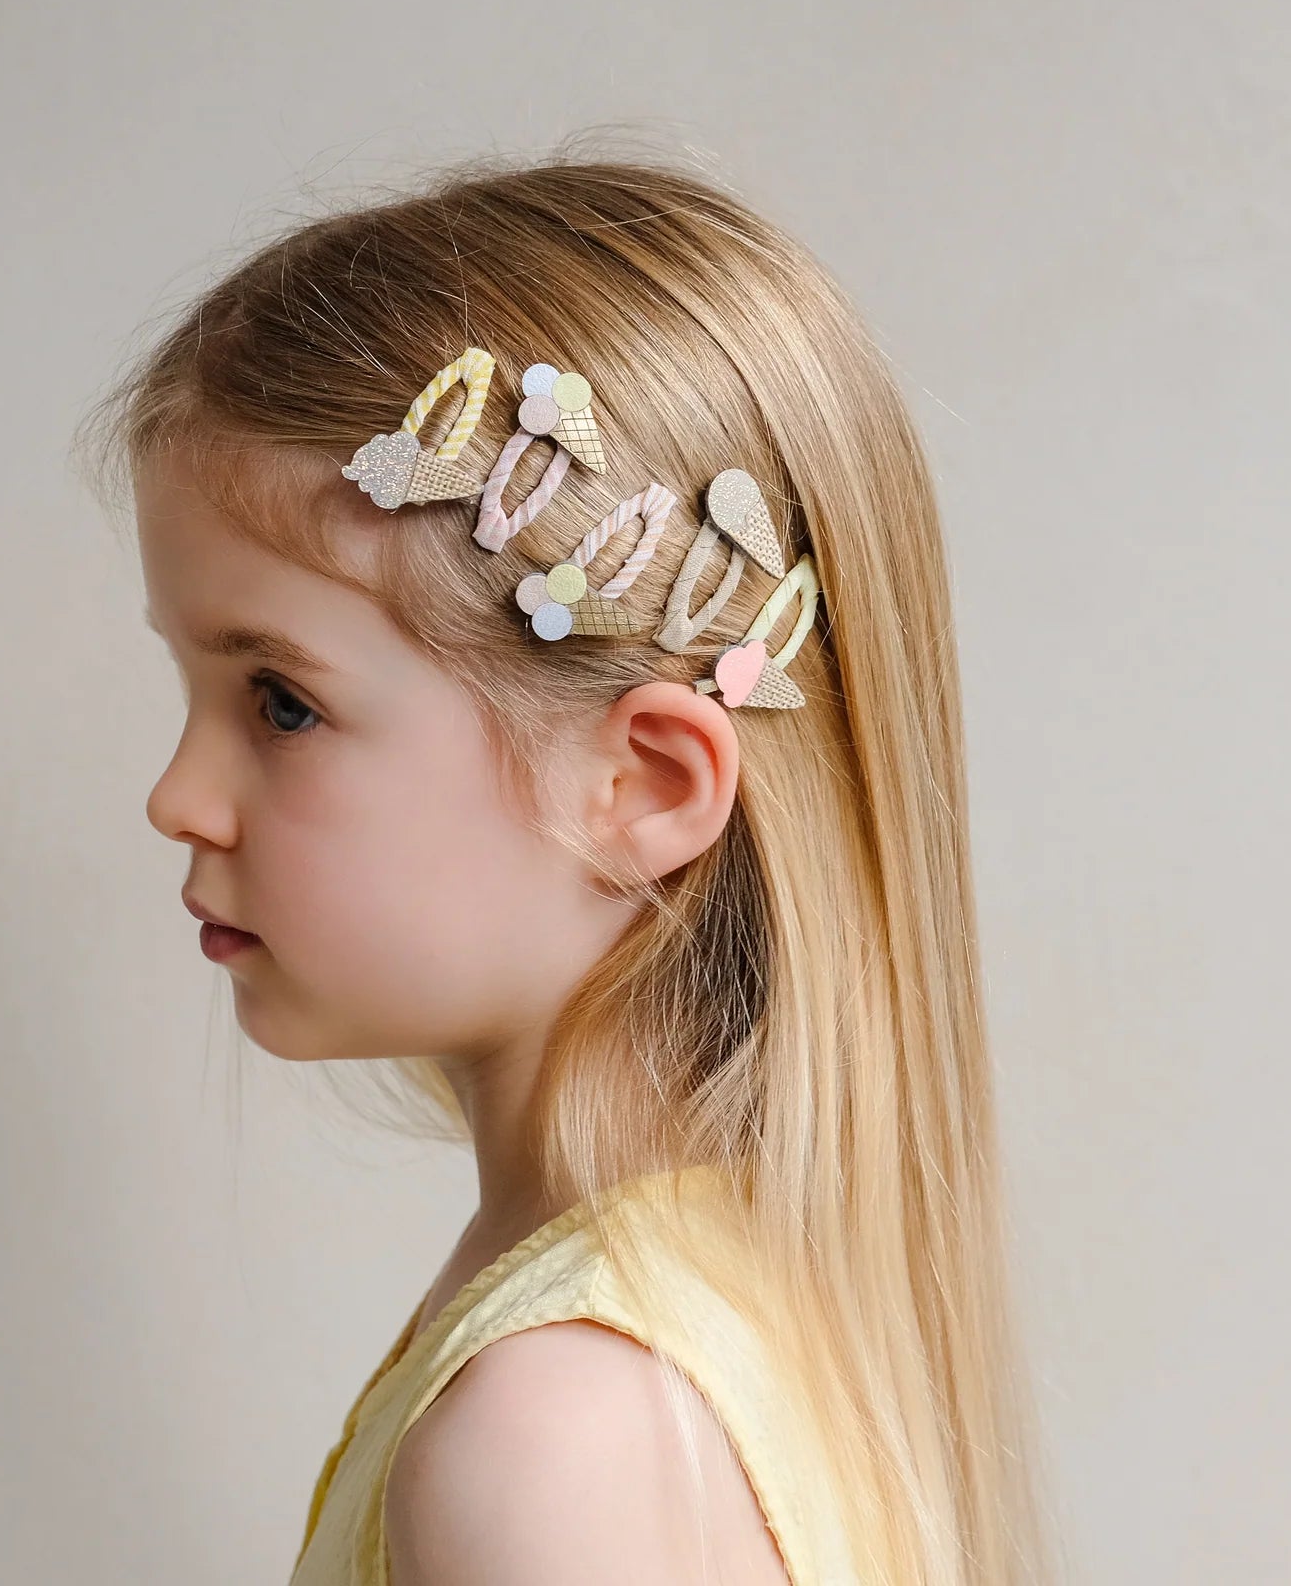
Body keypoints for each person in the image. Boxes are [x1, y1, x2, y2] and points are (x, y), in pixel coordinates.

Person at [74, 150, 1049, 1586]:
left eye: (280, 703)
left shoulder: (556, 1436)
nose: (177, 799)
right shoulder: (705, 1316)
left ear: (643, 785)